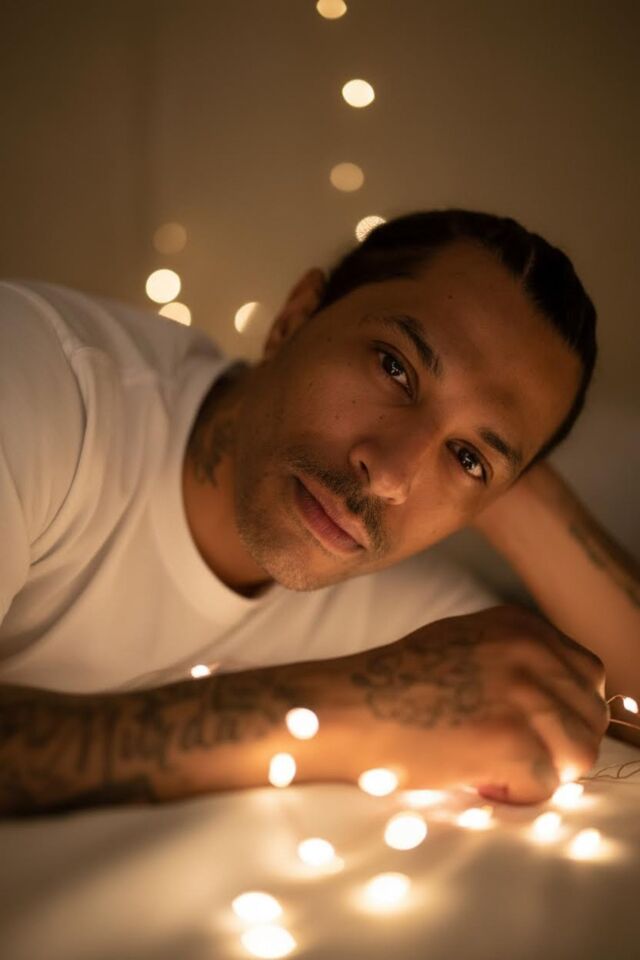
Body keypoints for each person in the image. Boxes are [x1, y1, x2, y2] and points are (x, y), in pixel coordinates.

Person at [0, 209, 638, 816]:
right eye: (395, 368)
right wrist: (357, 709)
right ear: (295, 317)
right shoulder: (41, 381)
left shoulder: (396, 602)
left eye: (467, 457)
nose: (389, 475)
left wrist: (510, 489)